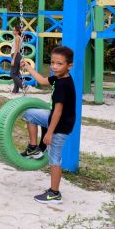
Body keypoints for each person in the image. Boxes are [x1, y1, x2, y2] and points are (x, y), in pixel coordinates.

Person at [17, 47, 76, 204]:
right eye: (52, 63)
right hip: (56, 119)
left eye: (59, 64)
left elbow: (58, 111)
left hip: (60, 126)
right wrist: (29, 68)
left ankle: (54, 193)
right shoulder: (58, 78)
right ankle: (33, 148)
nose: (54, 66)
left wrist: (49, 133)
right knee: (29, 114)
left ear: (69, 65)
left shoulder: (63, 85)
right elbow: (43, 81)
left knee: (54, 158)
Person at [10, 24, 25, 94]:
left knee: (12, 74)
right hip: (17, 56)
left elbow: (16, 49)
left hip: (16, 56)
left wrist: (13, 59)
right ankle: (15, 90)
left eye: (14, 30)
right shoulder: (18, 37)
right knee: (16, 73)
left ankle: (24, 86)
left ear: (17, 31)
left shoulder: (17, 38)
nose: (12, 31)